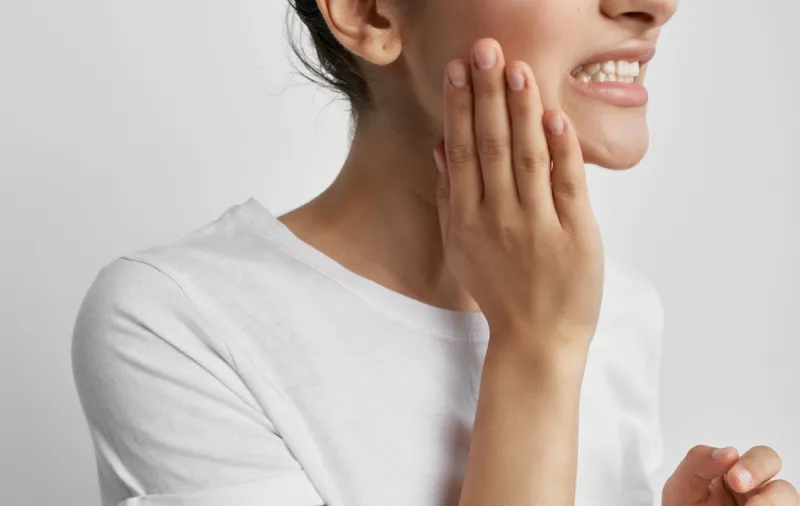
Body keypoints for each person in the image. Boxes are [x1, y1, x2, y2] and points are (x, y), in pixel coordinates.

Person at [71, 1, 799, 505]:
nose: (654, 5)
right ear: (369, 11)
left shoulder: (622, 310)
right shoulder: (180, 325)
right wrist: (536, 347)